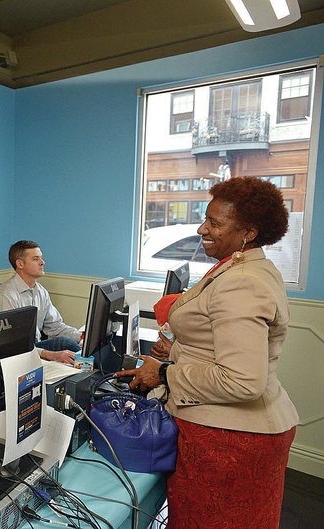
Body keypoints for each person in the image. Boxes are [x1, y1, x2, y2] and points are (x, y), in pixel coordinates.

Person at [118, 177, 298, 529]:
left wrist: (165, 373)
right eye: (206, 218)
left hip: (229, 441)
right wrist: (180, 351)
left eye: (215, 223)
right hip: (231, 433)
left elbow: (243, 381)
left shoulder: (241, 280)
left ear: (248, 231)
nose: (202, 228)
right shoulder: (241, 267)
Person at [0, 240, 82, 365]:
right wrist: (53, 355)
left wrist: (82, 337)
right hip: (12, 356)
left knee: (70, 345)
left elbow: (55, 327)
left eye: (41, 258)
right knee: (64, 344)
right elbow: (10, 346)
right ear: (20, 264)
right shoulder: (5, 296)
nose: (42, 262)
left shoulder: (40, 291)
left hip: (33, 348)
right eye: (36, 259)